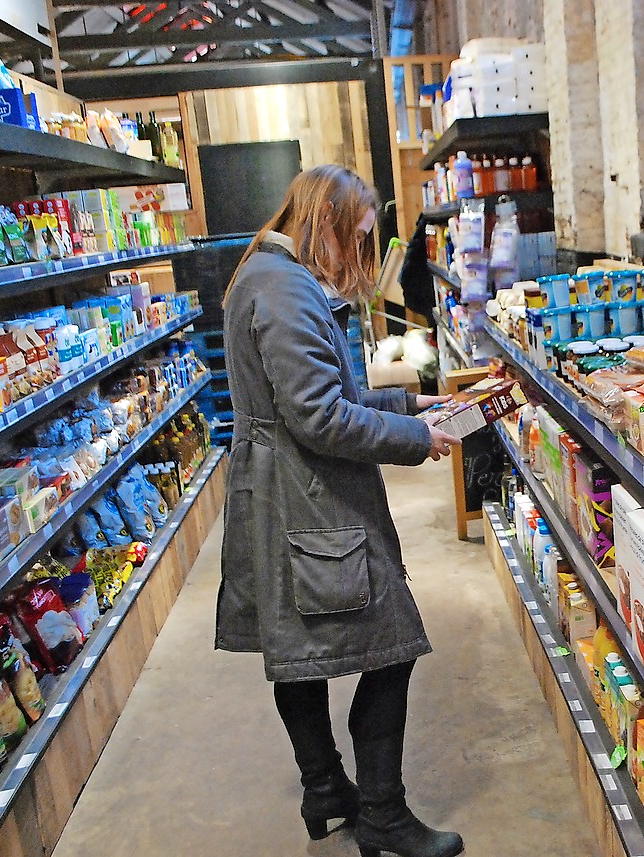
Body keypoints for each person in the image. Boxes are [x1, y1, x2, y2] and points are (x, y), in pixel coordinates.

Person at [214, 164, 464, 857]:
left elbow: (333, 394)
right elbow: (321, 417)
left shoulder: (270, 275)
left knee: (297, 651)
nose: (358, 256)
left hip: (280, 494)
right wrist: (416, 439)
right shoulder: (285, 288)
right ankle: (381, 810)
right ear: (324, 220)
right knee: (393, 643)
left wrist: (413, 404)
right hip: (305, 496)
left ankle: (325, 786)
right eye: (356, 237)